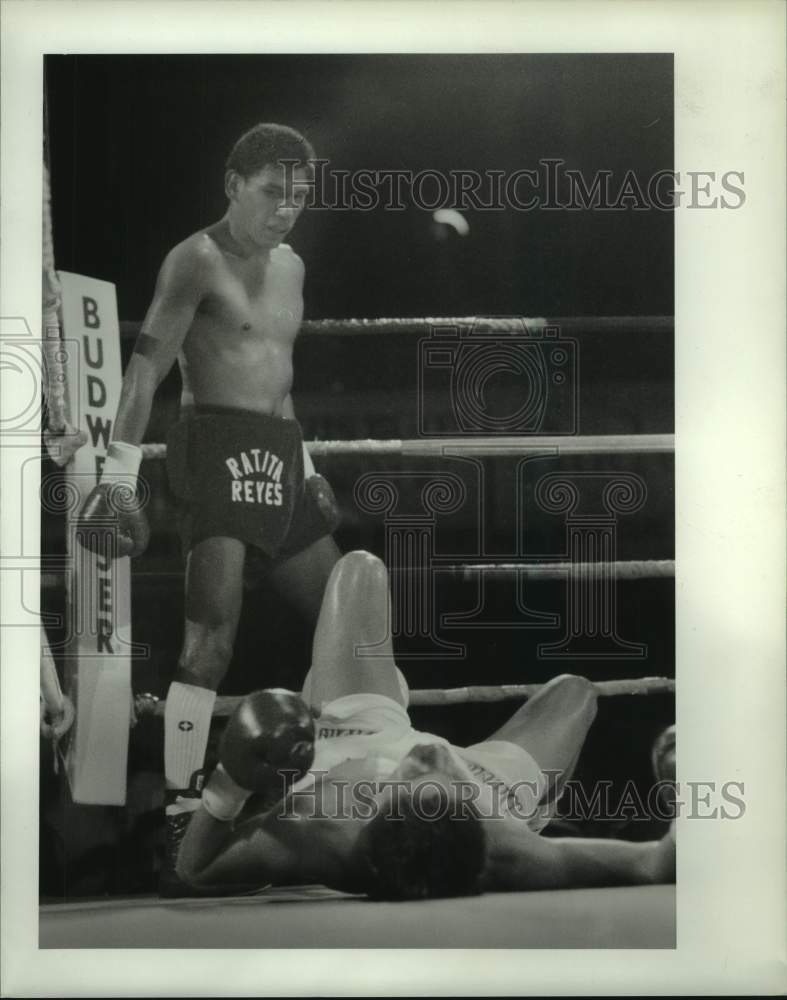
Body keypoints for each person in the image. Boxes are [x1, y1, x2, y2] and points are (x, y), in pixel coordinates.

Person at [77, 123, 342, 866]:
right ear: (233, 184)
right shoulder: (195, 259)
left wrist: (310, 467)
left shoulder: (290, 267)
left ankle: (338, 778)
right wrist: (119, 478)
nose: (285, 210)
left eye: (298, 196)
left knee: (349, 615)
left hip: (280, 451)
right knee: (210, 643)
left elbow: (281, 378)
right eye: (271, 194)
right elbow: (144, 369)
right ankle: (181, 805)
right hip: (214, 448)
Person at [175, 551, 676, 899]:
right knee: (576, 692)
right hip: (492, 787)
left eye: (413, 775)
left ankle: (366, 692)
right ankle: (532, 806)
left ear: (377, 810)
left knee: (359, 569)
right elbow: (655, 863)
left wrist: (232, 779)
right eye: (440, 780)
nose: (433, 754)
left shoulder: (324, 828)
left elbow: (195, 869)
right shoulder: (504, 848)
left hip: (359, 738)